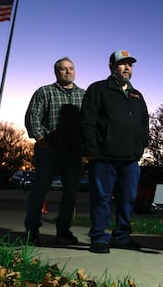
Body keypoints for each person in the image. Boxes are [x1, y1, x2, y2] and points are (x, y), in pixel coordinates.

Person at [81, 49, 150, 254]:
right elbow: (87, 121)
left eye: (130, 64)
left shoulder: (137, 95)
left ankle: (121, 237)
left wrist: (140, 146)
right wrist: (92, 150)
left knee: (128, 198)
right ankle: (99, 238)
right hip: (103, 157)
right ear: (111, 66)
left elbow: (144, 123)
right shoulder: (98, 89)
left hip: (130, 159)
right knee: (101, 198)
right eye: (122, 63)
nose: (127, 67)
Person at [24, 57, 86, 247]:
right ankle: (32, 232)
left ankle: (63, 231)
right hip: (48, 151)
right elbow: (33, 116)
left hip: (74, 153)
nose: (68, 72)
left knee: (70, 194)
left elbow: (89, 123)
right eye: (63, 69)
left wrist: (86, 150)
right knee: (40, 190)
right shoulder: (44, 92)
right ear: (56, 72)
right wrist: (41, 140)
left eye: (71, 68)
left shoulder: (84, 95)